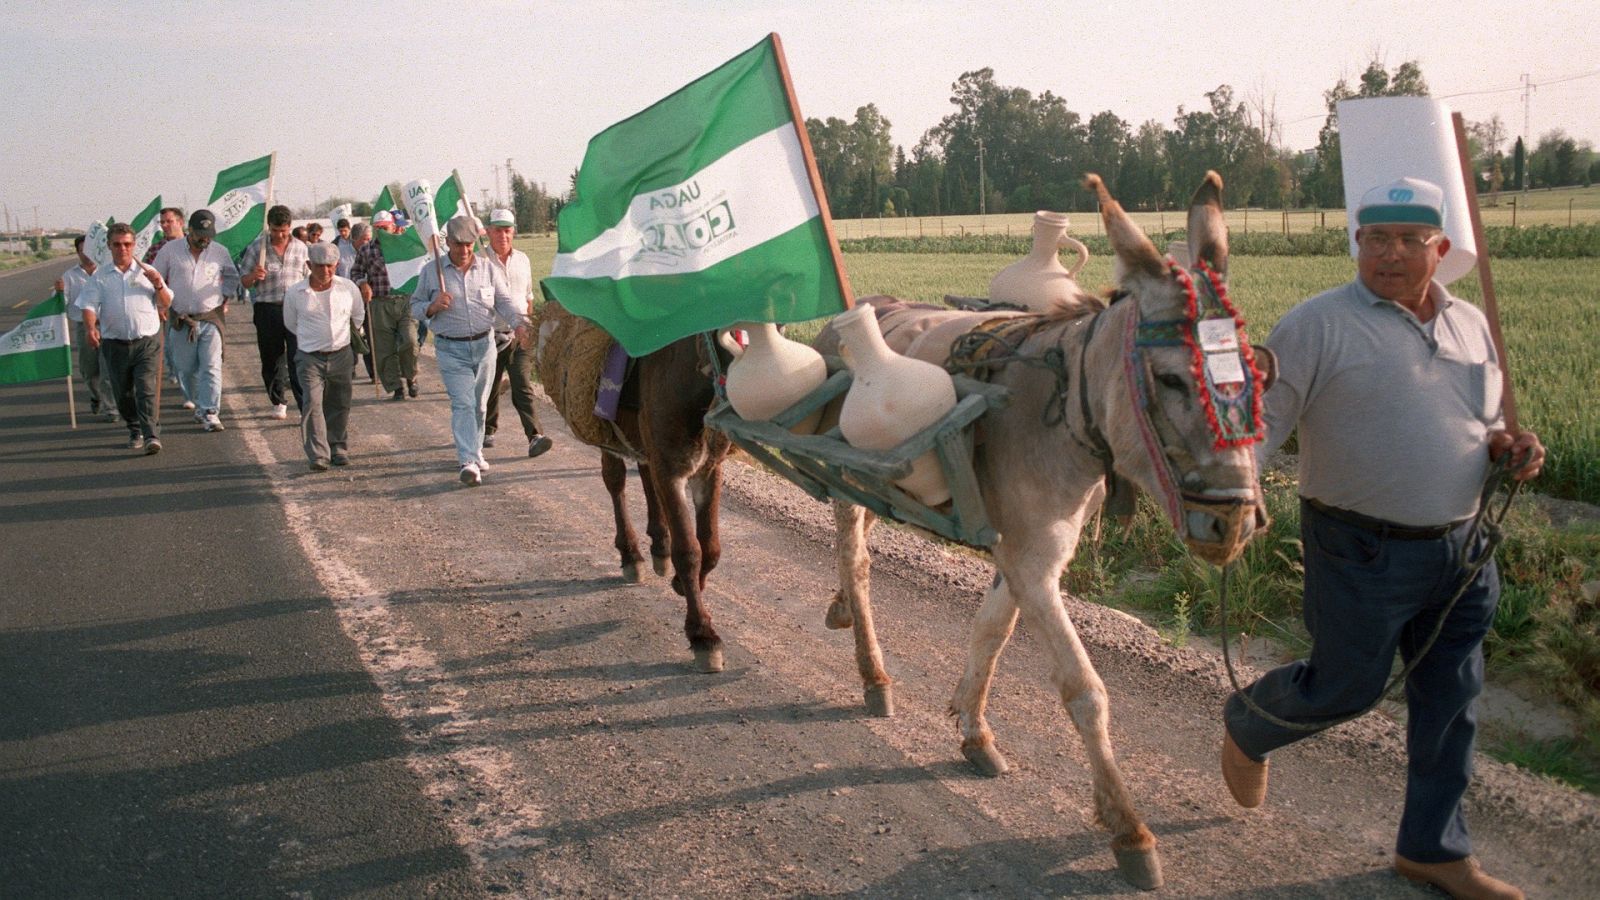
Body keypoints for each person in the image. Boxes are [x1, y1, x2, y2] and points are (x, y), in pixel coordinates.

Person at [1221, 177, 1545, 900]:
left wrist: (1511, 449)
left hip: (1463, 548)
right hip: (1358, 547)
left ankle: (1433, 849)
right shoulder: (1317, 324)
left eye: (1407, 241)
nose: (1388, 255)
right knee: (1346, 685)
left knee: (1451, 700)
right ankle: (1251, 722)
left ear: (1440, 249)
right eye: (1374, 239)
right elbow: (1261, 427)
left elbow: (1482, 424)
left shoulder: (1472, 324)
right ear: (1357, 243)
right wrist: (1233, 499)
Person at [410, 215, 529, 485]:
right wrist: (431, 306)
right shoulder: (432, 272)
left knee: (479, 405)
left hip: (485, 346)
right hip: (451, 349)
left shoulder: (487, 269)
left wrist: (519, 324)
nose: (463, 251)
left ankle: (475, 452)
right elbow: (414, 305)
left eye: (469, 245)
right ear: (448, 242)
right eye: (458, 245)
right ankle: (467, 461)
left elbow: (504, 301)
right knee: (463, 403)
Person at [77, 223, 174, 454]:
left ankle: (151, 435)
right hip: (115, 344)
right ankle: (134, 428)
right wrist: (91, 329)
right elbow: (89, 304)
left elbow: (166, 302)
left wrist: (158, 284)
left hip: (147, 342)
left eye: (128, 244)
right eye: (118, 244)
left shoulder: (147, 272)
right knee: (123, 393)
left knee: (146, 388)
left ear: (134, 245)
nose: (123, 249)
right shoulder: (100, 276)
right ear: (110, 246)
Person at [152, 209, 240, 432]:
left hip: (211, 317)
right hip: (181, 319)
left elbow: (231, 275)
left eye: (208, 235)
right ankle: (198, 403)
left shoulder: (219, 251)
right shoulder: (169, 251)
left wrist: (225, 297)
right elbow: (156, 277)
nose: (205, 239)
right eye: (200, 234)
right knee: (186, 368)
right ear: (189, 230)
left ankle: (210, 412)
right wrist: (159, 303)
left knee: (211, 366)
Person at [284, 242, 364, 471]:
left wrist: (344, 341)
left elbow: (357, 317)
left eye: (330, 266)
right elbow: (291, 323)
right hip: (309, 357)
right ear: (309, 265)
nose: (325, 271)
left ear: (337, 265)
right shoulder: (296, 293)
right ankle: (319, 454)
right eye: (320, 267)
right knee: (313, 403)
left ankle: (338, 446)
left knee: (340, 402)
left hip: (341, 354)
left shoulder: (348, 288)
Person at [481, 209, 553, 458]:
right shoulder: (481, 261)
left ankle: (535, 436)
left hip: (519, 335)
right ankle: (487, 429)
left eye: (507, 230)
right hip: (490, 336)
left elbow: (528, 297)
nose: (503, 235)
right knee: (489, 385)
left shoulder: (523, 259)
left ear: (514, 232)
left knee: (523, 387)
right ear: (488, 231)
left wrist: (528, 326)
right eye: (498, 230)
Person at [240, 205, 310, 418]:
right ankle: (278, 399)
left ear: (290, 227)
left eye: (284, 230)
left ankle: (304, 404)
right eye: (275, 230)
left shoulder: (301, 248)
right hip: (267, 309)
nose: (280, 234)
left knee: (299, 357)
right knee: (272, 358)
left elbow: (309, 277)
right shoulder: (256, 249)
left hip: (296, 308)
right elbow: (243, 281)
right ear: (268, 227)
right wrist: (254, 275)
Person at [351, 211, 420, 400]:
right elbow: (355, 272)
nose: (382, 231)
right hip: (380, 303)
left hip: (405, 301)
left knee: (410, 341)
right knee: (384, 348)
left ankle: (411, 376)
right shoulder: (367, 250)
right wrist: (363, 283)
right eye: (378, 228)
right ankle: (396, 387)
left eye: (385, 227)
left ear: (393, 227)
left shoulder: (406, 246)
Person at [59, 236, 113, 420]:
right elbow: (60, 302)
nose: (87, 254)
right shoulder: (69, 276)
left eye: (90, 250)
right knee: (90, 370)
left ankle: (111, 408)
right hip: (84, 327)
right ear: (77, 252)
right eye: (83, 250)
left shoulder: (107, 271)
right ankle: (96, 396)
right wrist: (58, 293)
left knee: (107, 369)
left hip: (108, 326)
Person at [145, 206, 186, 397]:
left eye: (169, 221)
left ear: (180, 222)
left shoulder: (192, 244)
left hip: (191, 303)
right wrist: (158, 304)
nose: (165, 225)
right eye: (162, 222)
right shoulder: (156, 249)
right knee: (172, 347)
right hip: (167, 306)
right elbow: (148, 277)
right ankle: (182, 380)